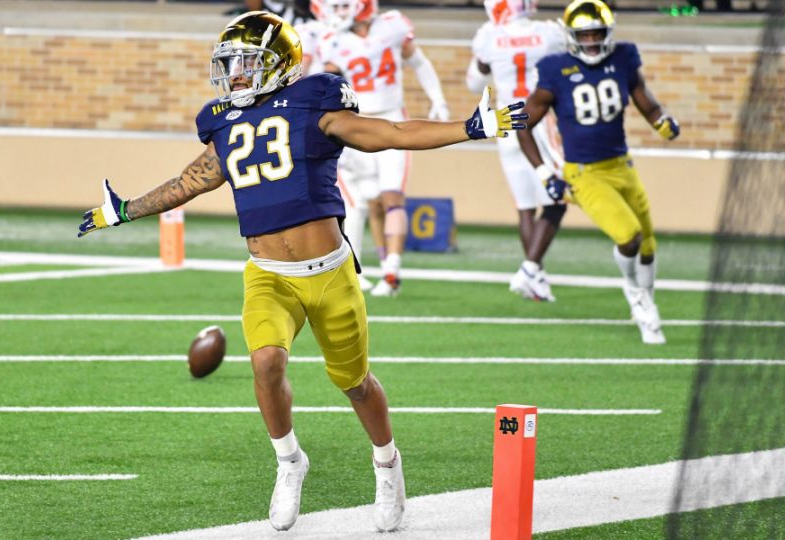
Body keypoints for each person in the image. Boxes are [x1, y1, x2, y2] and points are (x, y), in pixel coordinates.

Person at [77, 12, 525, 532]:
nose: (236, 75)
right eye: (230, 65)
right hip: (267, 274)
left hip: (330, 273)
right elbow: (191, 181)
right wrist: (125, 209)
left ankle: (387, 464)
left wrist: (469, 128)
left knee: (355, 383)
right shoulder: (222, 121)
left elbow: (389, 132)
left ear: (279, 65)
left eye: (247, 64)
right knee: (265, 362)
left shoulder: (314, 102)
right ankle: (289, 462)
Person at [517, 0, 679, 344]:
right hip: (584, 173)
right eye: (584, 33)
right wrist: (545, 172)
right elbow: (524, 125)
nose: (591, 40)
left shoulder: (624, 57)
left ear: (609, 32)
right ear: (570, 36)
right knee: (629, 236)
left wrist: (661, 120)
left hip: (622, 165)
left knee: (649, 243)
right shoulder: (554, 69)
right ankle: (636, 295)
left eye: (597, 32)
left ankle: (647, 302)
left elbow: (644, 99)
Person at [312, 0, 451, 296]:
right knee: (362, 201)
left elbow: (419, 62)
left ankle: (391, 273)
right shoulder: (332, 39)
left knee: (392, 198)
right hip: (356, 124)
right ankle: (356, 268)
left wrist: (438, 99)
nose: (338, 12)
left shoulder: (392, 26)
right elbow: (321, 83)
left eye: (343, 5)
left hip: (392, 119)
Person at [467, 0, 568, 302]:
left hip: (506, 120)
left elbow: (474, 81)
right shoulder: (548, 33)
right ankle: (531, 268)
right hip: (539, 120)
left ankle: (535, 278)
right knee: (557, 197)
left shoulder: (489, 35)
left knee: (525, 205)